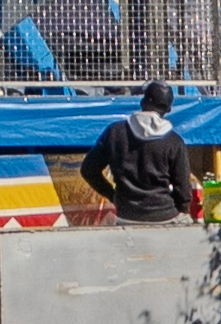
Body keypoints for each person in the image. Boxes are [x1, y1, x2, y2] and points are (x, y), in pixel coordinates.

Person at [81, 80, 197, 224]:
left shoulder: (114, 132)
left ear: (143, 102)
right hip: (166, 216)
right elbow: (183, 191)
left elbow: (88, 170)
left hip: (126, 215)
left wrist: (114, 196)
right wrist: (181, 209)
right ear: (168, 109)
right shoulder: (174, 141)